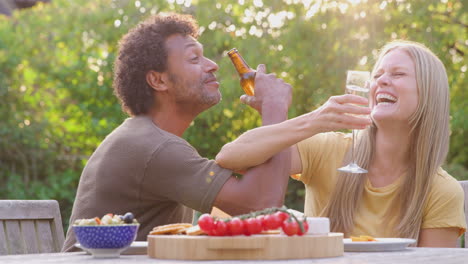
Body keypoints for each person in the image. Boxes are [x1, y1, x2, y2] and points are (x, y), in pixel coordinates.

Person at [62, 13, 294, 252]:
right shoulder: (152, 147)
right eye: (194, 59)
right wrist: (274, 108)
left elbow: (251, 207)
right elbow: (263, 205)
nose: (212, 65)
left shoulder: (146, 137)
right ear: (158, 80)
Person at [216, 40, 466, 247]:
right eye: (377, 75)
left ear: (429, 94)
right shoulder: (329, 150)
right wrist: (316, 119)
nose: (381, 81)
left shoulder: (441, 191)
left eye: (398, 74)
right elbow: (230, 156)